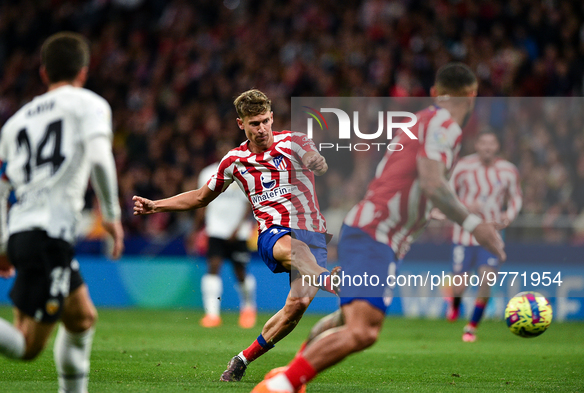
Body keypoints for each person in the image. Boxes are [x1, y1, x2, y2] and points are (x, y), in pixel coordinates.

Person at [252, 63, 506, 393]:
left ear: (433, 93)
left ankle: (287, 374)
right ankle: (283, 384)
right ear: (472, 96)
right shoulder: (445, 125)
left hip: (371, 228)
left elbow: (411, 182)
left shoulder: (420, 122)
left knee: (344, 321)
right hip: (377, 233)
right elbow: (432, 182)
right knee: (363, 331)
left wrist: (428, 213)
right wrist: (475, 225)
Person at [132, 89, 337, 383]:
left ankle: (242, 359)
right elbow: (201, 197)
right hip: (274, 234)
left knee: (296, 309)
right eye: (254, 123)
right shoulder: (234, 161)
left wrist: (318, 163)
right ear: (241, 124)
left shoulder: (294, 142)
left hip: (312, 232)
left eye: (266, 121)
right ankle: (329, 279)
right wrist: (157, 205)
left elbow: (316, 158)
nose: (262, 128)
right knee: (295, 251)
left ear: (272, 118)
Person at [0, 32, 124, 393]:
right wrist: (112, 216)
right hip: (48, 235)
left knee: (82, 318)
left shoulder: (13, 124)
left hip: (26, 233)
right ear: (83, 72)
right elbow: (101, 158)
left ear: (43, 73)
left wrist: (3, 243)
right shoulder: (90, 104)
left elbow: (1, 187)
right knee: (27, 346)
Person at [443, 131, 522, 341]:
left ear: (497, 146)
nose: (487, 147)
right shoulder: (462, 167)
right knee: (460, 284)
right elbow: (447, 195)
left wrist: (509, 215)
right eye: (483, 142)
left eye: (491, 143)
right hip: (464, 233)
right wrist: (466, 206)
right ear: (477, 145)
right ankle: (455, 303)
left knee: (486, 280)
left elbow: (516, 198)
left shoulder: (508, 171)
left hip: (491, 235)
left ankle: (472, 326)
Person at [196, 141, 257, 329]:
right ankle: (212, 314)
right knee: (213, 267)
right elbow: (202, 201)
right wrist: (197, 229)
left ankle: (248, 308)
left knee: (240, 273)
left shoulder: (243, 173)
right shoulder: (207, 174)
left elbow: (249, 204)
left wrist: (238, 228)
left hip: (238, 233)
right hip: (215, 230)